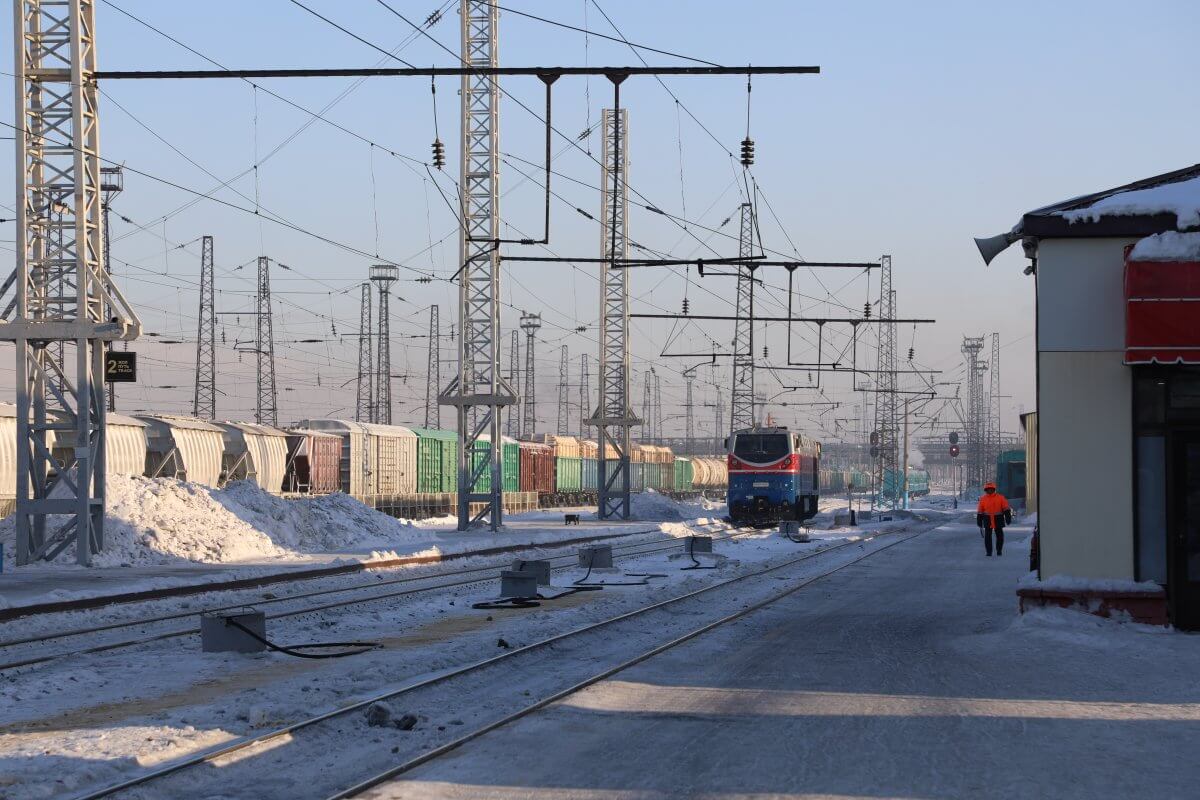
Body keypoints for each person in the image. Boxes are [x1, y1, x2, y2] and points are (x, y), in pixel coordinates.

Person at [976, 481, 1012, 557]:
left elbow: (1006, 508)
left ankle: (999, 550)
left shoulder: (1000, 497)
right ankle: (989, 552)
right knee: (987, 536)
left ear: (994, 489)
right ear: (985, 490)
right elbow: (980, 510)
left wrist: (1008, 517)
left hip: (998, 518)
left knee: (999, 536)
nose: (989, 490)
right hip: (987, 519)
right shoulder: (983, 499)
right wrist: (979, 519)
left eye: (991, 489)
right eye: (988, 489)